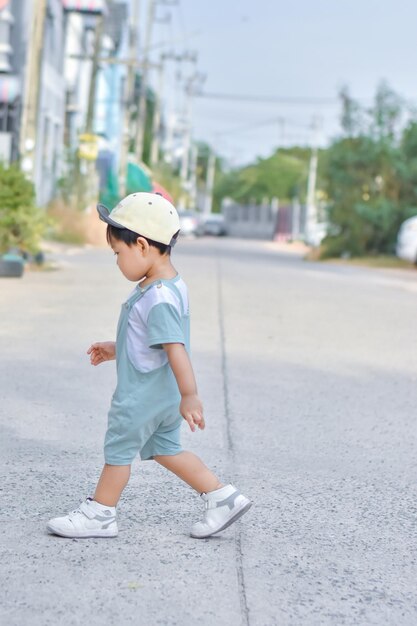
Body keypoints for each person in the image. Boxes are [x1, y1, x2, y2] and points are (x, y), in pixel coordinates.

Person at [47, 192, 252, 539]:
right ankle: (223, 497)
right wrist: (117, 349)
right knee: (165, 449)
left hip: (143, 395)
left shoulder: (157, 297)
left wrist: (192, 395)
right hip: (163, 394)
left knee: (119, 449)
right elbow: (153, 341)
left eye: (118, 253)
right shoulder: (171, 285)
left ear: (141, 245)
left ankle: (100, 514)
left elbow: (175, 348)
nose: (117, 262)